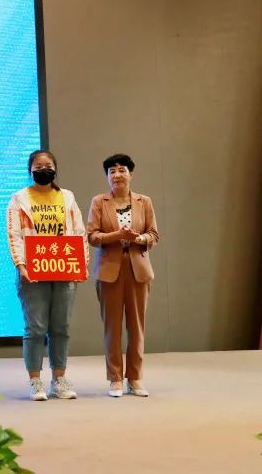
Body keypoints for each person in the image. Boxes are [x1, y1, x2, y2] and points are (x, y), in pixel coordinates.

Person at [6, 151, 89, 401]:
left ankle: (59, 380)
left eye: (48, 165)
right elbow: (14, 234)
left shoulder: (67, 196)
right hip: (32, 271)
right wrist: (21, 265)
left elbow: (79, 232)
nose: (44, 169)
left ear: (55, 168)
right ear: (30, 170)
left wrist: (81, 264)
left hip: (64, 268)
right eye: (38, 165)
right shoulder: (19, 198)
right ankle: (35, 381)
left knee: (61, 327)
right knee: (35, 328)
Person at [86, 153, 159, 398]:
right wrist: (118, 235)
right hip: (109, 270)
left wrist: (139, 238)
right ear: (108, 177)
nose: (117, 175)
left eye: (122, 170)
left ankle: (135, 378)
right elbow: (92, 236)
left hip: (138, 268)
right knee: (112, 327)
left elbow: (153, 234)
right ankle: (115, 378)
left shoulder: (144, 201)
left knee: (137, 327)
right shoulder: (99, 202)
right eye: (112, 171)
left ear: (131, 174)